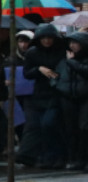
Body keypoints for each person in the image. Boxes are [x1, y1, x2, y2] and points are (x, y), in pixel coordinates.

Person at [19, 23, 65, 169]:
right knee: (36, 126)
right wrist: (39, 69)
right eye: (43, 38)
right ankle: (42, 157)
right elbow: (27, 73)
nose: (47, 41)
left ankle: (55, 156)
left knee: (49, 124)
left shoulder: (61, 51)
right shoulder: (33, 53)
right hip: (38, 94)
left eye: (49, 38)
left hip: (56, 93)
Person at [54, 31, 88, 171]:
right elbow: (57, 75)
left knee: (84, 128)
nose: (73, 46)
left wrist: (72, 62)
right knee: (71, 129)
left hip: (85, 98)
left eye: (76, 43)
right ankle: (75, 159)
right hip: (68, 98)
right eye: (71, 43)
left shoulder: (74, 60)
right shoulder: (65, 60)